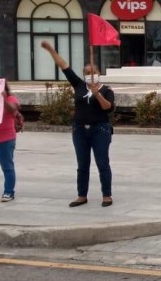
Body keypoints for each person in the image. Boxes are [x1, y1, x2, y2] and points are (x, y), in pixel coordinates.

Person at [40, 41, 116, 207]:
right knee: (82, 164)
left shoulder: (107, 90)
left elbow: (108, 108)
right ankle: (82, 195)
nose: (90, 74)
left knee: (102, 163)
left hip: (100, 130)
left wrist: (98, 95)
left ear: (99, 73)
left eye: (93, 72)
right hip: (80, 130)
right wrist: (51, 50)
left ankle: (106, 195)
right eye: (87, 72)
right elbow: (64, 67)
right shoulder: (79, 86)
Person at [0, 78, 20, 202]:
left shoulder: (11, 99)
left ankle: (8, 192)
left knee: (7, 167)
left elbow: (13, 109)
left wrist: (3, 99)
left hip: (5, 139)